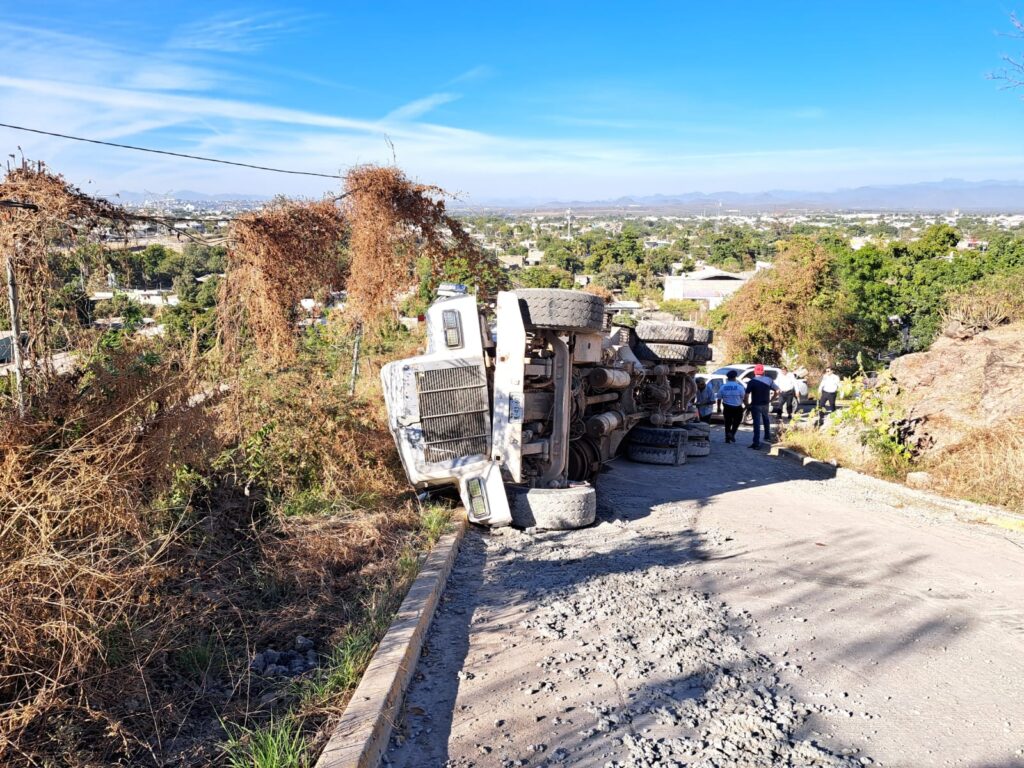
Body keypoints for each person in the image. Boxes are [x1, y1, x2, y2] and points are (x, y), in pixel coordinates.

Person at [744, 364, 779, 449]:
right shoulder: (769, 380)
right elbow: (777, 390)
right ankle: (767, 437)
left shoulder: (752, 382)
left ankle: (756, 443)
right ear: (763, 372)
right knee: (766, 419)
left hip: (756, 404)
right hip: (765, 404)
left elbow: (747, 395)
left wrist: (746, 404)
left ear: (755, 372)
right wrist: (772, 399)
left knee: (756, 423)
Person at [717, 370, 746, 443]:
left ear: (728, 378)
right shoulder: (739, 387)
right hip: (737, 407)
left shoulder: (723, 387)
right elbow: (743, 397)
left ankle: (727, 439)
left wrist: (718, 408)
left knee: (727, 423)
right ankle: (732, 433)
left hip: (727, 407)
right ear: (735, 377)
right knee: (737, 422)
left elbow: (719, 398)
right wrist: (746, 406)